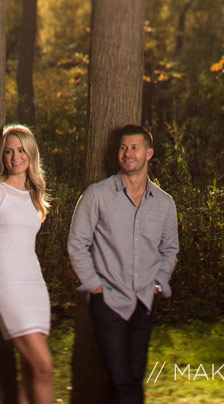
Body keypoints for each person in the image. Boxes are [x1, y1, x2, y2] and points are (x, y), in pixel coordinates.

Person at [67, 124, 179, 404]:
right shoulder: (97, 195)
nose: (128, 153)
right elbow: (77, 244)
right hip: (109, 303)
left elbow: (170, 250)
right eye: (123, 147)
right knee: (121, 380)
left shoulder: (164, 204)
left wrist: (157, 284)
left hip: (144, 302)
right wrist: (95, 287)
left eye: (134, 148)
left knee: (132, 379)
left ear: (148, 153)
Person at [0, 123, 54, 404]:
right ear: (1, 157)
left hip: (35, 288)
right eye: (8, 152)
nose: (15, 157)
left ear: (31, 154)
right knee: (44, 366)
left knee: (31, 370)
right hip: (8, 288)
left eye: (21, 150)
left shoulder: (34, 196)